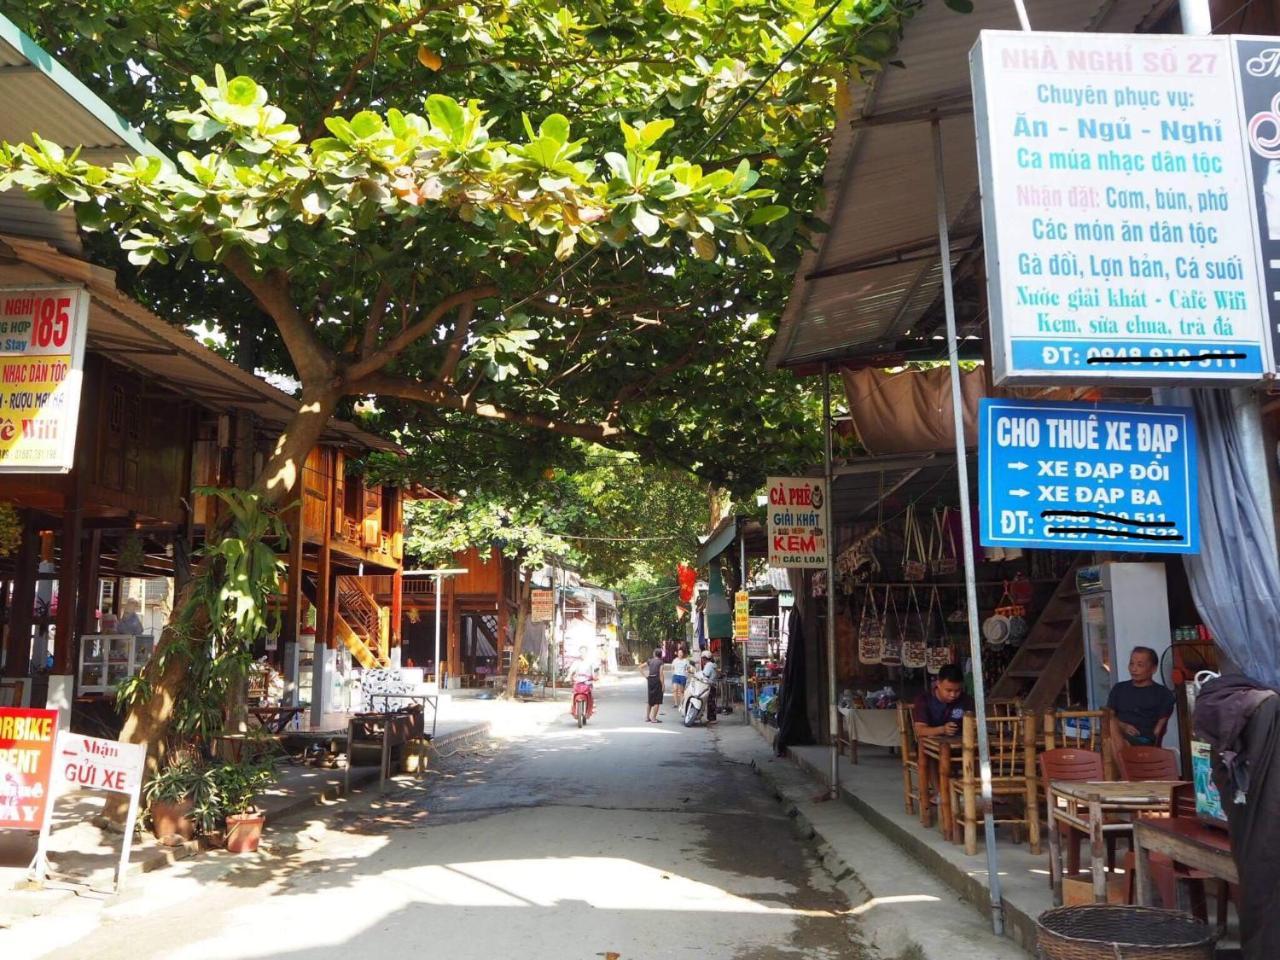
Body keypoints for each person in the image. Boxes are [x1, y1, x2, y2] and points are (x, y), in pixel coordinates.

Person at [1107, 646, 1175, 747]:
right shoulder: (1119, 688)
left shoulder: (1163, 694)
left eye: (1140, 665)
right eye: (1131, 664)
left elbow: (1159, 729)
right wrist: (1123, 726)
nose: (1134, 669)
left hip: (1143, 739)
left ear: (1153, 669)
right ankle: (1123, 757)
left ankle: (1123, 757)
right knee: (1109, 723)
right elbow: (1109, 716)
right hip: (1118, 734)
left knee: (1111, 742)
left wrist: (1153, 746)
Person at [912, 664, 973, 738]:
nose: (953, 695)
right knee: (944, 747)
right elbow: (920, 730)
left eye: (957, 690)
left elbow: (974, 723)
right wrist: (942, 730)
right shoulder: (923, 700)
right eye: (948, 690)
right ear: (938, 684)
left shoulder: (966, 699)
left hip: (961, 743)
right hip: (932, 745)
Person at [570, 645, 597, 717]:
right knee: (573, 694)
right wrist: (568, 676)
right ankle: (572, 708)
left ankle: (592, 708)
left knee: (590, 694)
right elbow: (571, 670)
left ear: (586, 653)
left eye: (584, 652)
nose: (582, 654)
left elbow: (595, 670)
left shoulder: (590, 662)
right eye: (581, 652)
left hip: (587, 682)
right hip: (578, 682)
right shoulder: (576, 662)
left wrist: (595, 676)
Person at [644, 647, 664, 722]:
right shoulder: (660, 662)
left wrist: (645, 676)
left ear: (654, 654)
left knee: (650, 699)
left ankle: (647, 717)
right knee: (657, 700)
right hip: (657, 680)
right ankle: (653, 718)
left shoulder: (650, 661)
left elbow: (640, 667)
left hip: (650, 680)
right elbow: (661, 674)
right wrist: (663, 685)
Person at [699, 653, 719, 726]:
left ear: (705, 658)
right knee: (711, 702)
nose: (702, 660)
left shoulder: (708, 665)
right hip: (713, 685)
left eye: (702, 658)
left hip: (709, 686)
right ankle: (711, 719)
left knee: (711, 703)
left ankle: (712, 719)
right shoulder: (712, 664)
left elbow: (705, 675)